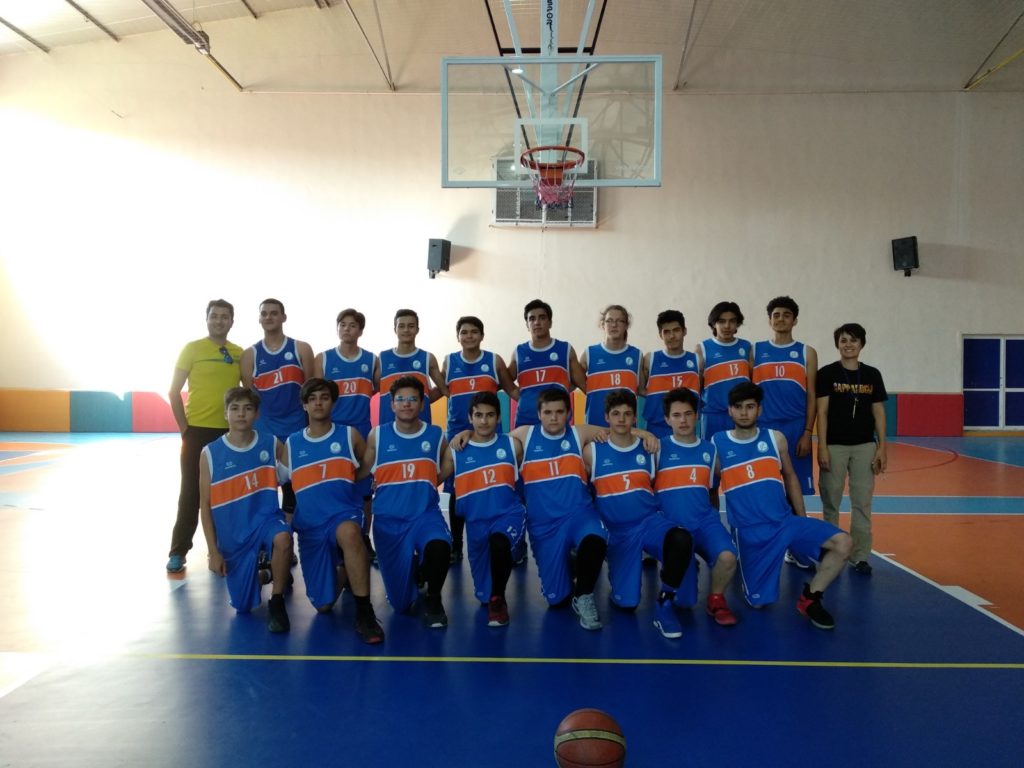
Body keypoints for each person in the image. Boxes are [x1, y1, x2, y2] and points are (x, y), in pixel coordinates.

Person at [713, 382, 852, 630]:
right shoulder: (717, 443)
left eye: (750, 407)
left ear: (759, 410)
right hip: (750, 532)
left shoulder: (775, 438)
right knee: (758, 603)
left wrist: (802, 517)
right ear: (730, 410)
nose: (744, 412)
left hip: (785, 523)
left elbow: (790, 477)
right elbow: (710, 488)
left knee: (844, 543)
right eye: (739, 407)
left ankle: (810, 598)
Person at [583, 389, 694, 639]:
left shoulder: (649, 449)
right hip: (618, 532)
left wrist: (644, 434)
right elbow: (571, 434)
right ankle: (615, 566)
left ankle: (665, 602)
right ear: (606, 417)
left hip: (649, 523)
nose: (621, 419)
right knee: (627, 603)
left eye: (627, 414)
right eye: (616, 414)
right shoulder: (592, 451)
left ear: (635, 418)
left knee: (681, 538)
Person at [282, 378, 385, 644]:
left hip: (343, 514)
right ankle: (348, 567)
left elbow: (366, 463)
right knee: (323, 605)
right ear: (304, 405)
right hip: (310, 526)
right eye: (312, 398)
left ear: (333, 403)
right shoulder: (292, 444)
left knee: (351, 534)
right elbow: (279, 482)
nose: (318, 403)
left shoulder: (349, 435)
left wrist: (353, 478)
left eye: (324, 397)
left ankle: (365, 613)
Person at [358, 376, 453, 628]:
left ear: (422, 403)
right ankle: (416, 568)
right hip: (389, 522)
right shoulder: (378, 435)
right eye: (400, 399)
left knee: (440, 546)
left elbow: (449, 458)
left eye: (412, 399)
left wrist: (433, 480)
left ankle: (434, 599)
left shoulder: (435, 435)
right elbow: (362, 471)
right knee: (401, 606)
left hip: (424, 515)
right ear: (392, 405)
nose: (406, 404)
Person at [198, 387, 293, 632]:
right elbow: (205, 506)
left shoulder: (271, 443)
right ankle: (268, 573)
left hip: (266, 520)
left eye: (248, 408)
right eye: (235, 408)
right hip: (234, 536)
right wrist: (213, 552)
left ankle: (277, 601)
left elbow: (291, 473)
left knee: (283, 538)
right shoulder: (210, 454)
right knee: (243, 606)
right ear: (225, 413)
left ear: (257, 414)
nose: (241, 414)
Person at [166, 299, 244, 573]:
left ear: (232, 321)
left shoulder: (239, 353)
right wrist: (185, 429)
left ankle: (226, 548)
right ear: (207, 319)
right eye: (214, 316)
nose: (219, 321)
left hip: (229, 435)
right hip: (196, 432)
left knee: (228, 493)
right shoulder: (192, 349)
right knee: (191, 492)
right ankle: (178, 551)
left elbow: (248, 393)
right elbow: (173, 391)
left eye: (224, 317)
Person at [653, 388, 739, 626]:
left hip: (703, 522)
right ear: (667, 419)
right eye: (677, 415)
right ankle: (677, 563)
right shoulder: (656, 449)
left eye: (688, 414)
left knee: (728, 557)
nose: (683, 420)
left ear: (697, 416)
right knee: (685, 602)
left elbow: (712, 490)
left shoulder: (710, 450)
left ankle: (716, 599)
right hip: (673, 527)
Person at [440, 391, 525, 627]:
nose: (484, 421)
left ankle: (499, 599)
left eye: (490, 415)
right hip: (476, 523)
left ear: (499, 418)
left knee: (500, 543)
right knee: (482, 594)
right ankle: (491, 594)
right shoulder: (456, 450)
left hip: (508, 514)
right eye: (478, 415)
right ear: (470, 417)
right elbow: (433, 478)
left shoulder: (513, 445)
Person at [441, 315, 517, 564]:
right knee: (456, 488)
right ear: (457, 336)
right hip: (458, 433)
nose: (469, 336)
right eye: (464, 332)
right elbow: (440, 391)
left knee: (495, 483)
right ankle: (456, 544)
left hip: (488, 434)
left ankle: (506, 537)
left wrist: (543, 402)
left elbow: (511, 389)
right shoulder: (449, 361)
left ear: (482, 335)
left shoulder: (494, 360)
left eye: (474, 332)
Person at [816, 323, 888, 575]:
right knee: (831, 502)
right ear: (837, 344)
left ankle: (860, 556)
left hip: (865, 446)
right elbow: (822, 412)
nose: (848, 344)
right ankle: (831, 551)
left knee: (862, 503)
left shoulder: (872, 375)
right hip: (834, 446)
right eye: (844, 340)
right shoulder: (826, 373)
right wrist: (822, 447)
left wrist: (882, 448)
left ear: (862, 344)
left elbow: (879, 413)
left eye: (853, 340)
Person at [313, 308, 381, 561]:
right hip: (332, 432)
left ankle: (363, 537)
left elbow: (380, 389)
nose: (346, 329)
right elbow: (315, 394)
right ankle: (331, 537)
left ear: (360, 330)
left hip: (361, 429)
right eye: (342, 324)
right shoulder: (324, 359)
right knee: (332, 486)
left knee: (364, 490)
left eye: (352, 325)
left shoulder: (372, 360)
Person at [240, 298, 314, 517]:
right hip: (265, 430)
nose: (269, 317)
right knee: (265, 487)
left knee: (295, 488)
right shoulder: (250, 355)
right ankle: (268, 534)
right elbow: (251, 397)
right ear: (259, 319)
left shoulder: (301, 348)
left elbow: (310, 390)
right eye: (264, 313)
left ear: (284, 317)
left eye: (274, 313)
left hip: (295, 428)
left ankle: (292, 533)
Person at [507, 299, 586, 428]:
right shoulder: (519, 352)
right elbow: (506, 383)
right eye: (532, 319)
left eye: (542, 318)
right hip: (526, 422)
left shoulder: (565, 349)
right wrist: (524, 399)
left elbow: (583, 384)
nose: (537, 322)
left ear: (550, 323)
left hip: (557, 422)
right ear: (527, 325)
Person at [378, 309, 446, 426]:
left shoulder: (427, 358)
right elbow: (370, 389)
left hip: (421, 427)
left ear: (417, 330)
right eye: (401, 326)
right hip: (388, 427)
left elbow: (443, 389)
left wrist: (420, 399)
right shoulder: (382, 358)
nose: (406, 330)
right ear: (395, 330)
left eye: (411, 326)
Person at [640, 309, 701, 439]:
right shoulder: (650, 359)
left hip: (687, 429)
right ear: (660, 335)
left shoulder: (697, 361)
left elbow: (701, 389)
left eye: (676, 330)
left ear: (684, 331)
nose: (672, 336)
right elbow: (640, 390)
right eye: (666, 332)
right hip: (656, 430)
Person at [579, 305, 643, 427]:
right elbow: (572, 384)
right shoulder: (589, 354)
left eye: (620, 321)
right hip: (595, 428)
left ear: (626, 325)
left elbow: (643, 390)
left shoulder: (637, 355)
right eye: (609, 321)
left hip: (626, 429)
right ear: (602, 324)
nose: (614, 325)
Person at [696, 301, 751, 440]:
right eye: (721, 321)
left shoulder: (746, 347)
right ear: (713, 324)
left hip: (741, 415)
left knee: (740, 452)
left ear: (737, 324)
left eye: (732, 321)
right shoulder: (702, 348)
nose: (727, 326)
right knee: (712, 452)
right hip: (712, 415)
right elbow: (697, 386)